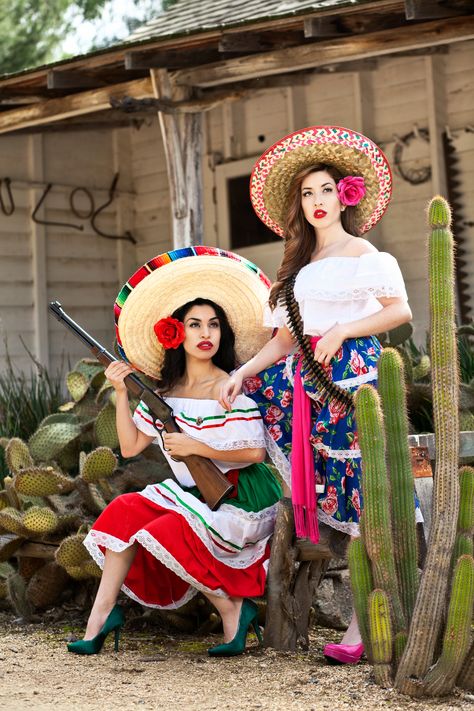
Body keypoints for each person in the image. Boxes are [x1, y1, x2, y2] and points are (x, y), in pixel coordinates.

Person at [219, 126, 420, 664]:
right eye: (307, 194)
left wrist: (343, 331)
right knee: (254, 392)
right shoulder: (296, 269)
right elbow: (284, 339)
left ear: (345, 195)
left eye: (325, 190)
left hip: (350, 378)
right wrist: (245, 370)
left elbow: (398, 311)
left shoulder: (365, 254)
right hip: (305, 377)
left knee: (362, 495)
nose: (316, 202)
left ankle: (361, 627)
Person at [68, 247, 282, 657]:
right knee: (123, 512)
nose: (206, 333)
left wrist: (196, 446)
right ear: (176, 333)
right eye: (195, 324)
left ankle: (233, 611)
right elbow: (130, 447)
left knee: (161, 530)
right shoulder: (162, 396)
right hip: (193, 497)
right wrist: (120, 392)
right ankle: (100, 617)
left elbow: (255, 453)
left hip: (240, 495)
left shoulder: (230, 387)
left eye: (214, 325)